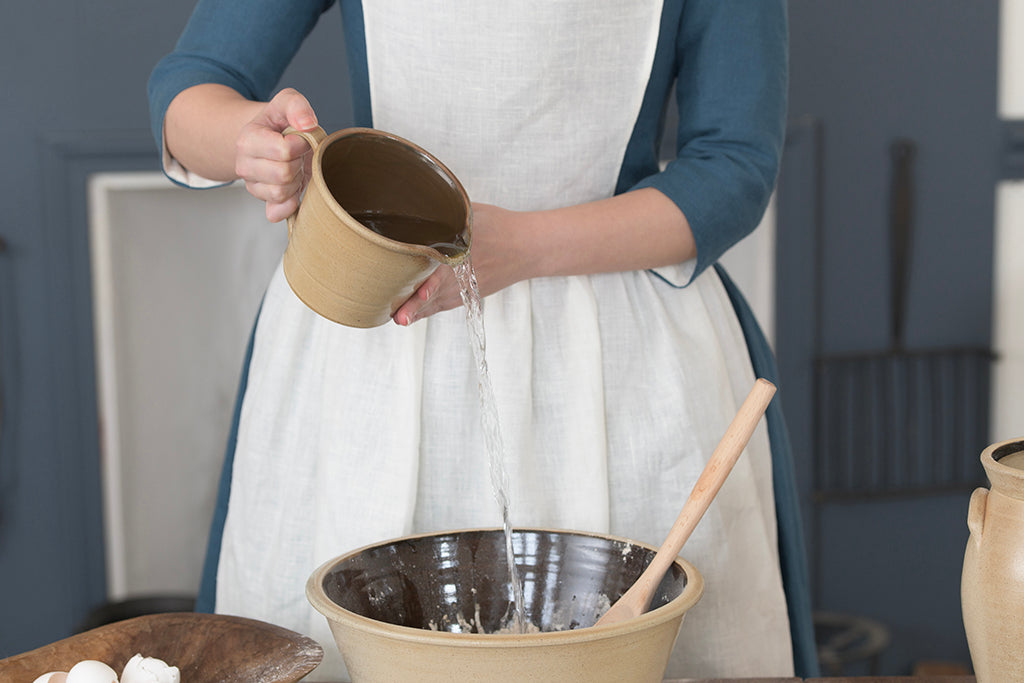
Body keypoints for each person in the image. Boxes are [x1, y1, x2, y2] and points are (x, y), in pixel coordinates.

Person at [149, 1, 818, 679]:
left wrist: (526, 245)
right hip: (374, 329)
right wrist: (248, 141)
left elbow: (734, 163)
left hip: (622, 356)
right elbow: (189, 94)